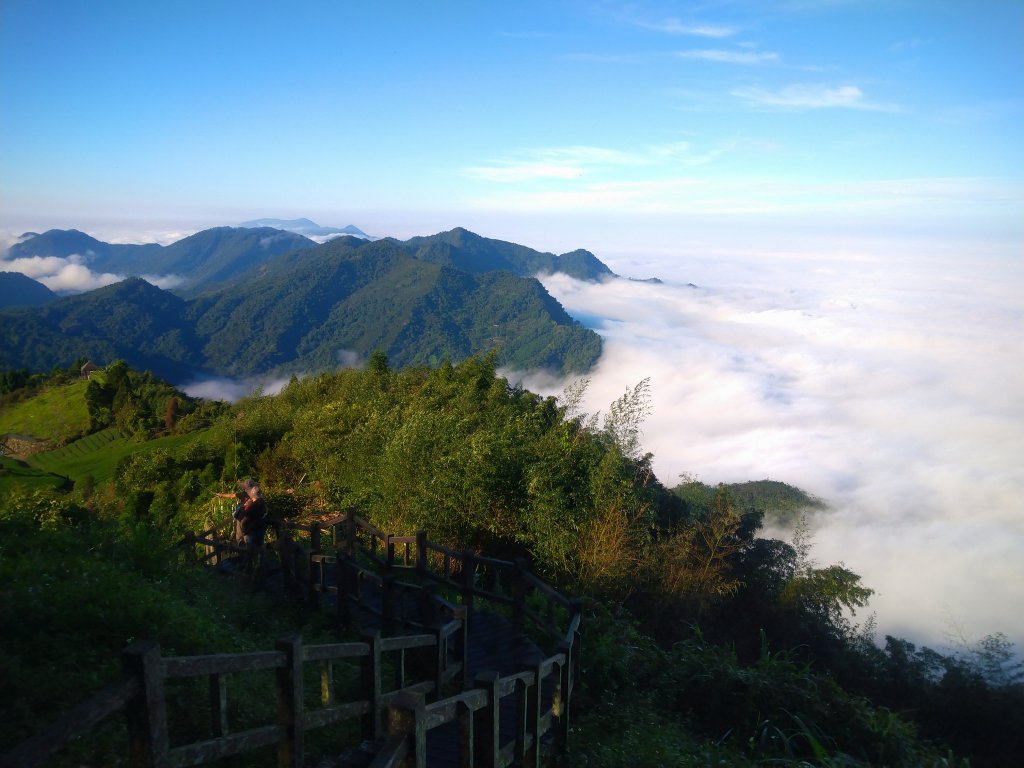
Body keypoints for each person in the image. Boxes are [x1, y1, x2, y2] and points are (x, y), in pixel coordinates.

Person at [214, 478, 268, 549]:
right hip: (247, 522)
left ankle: (244, 553)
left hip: (248, 523)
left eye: (246, 487)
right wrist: (221, 495)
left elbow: (263, 510)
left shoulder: (256, 496)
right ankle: (244, 551)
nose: (244, 489)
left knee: (246, 541)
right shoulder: (255, 495)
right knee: (244, 540)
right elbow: (232, 495)